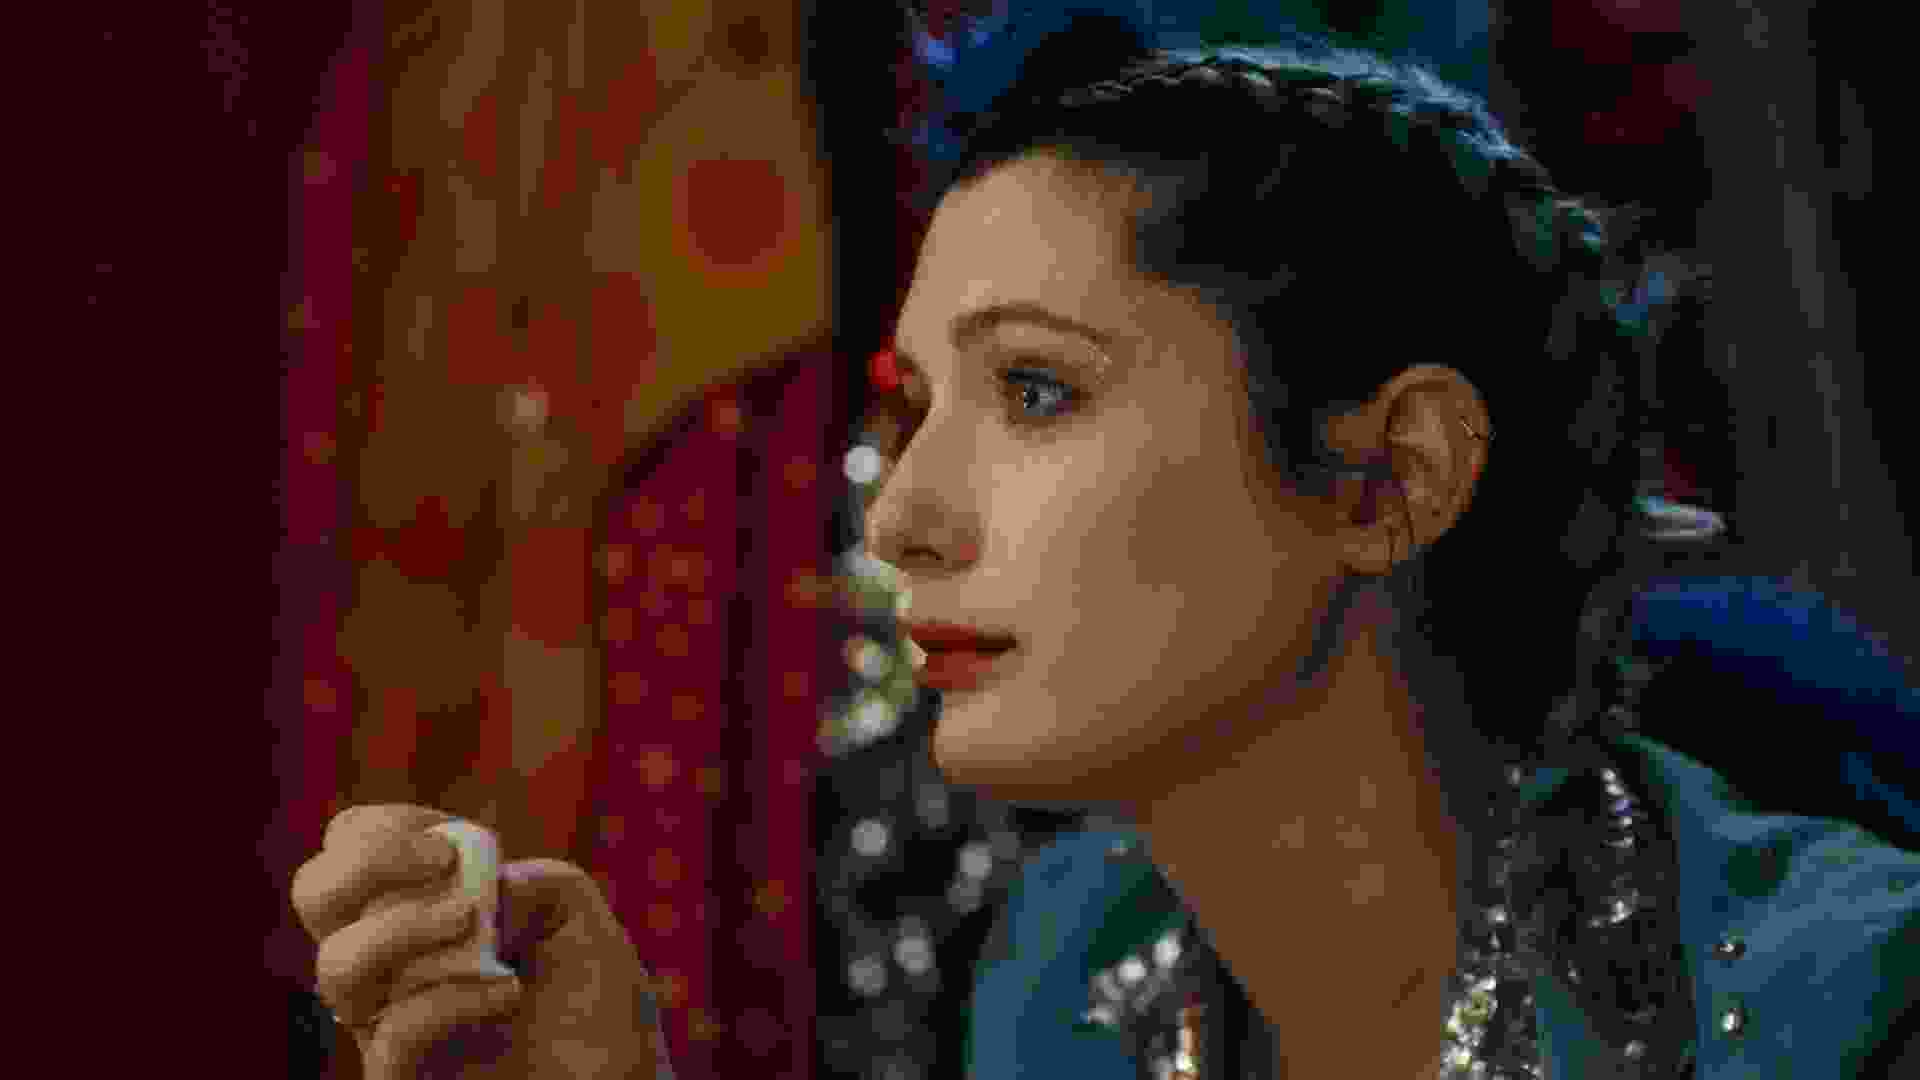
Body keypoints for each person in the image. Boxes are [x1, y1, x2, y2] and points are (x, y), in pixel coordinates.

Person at [290, 20, 1920, 1080]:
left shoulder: (1837, 1011)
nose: (898, 516)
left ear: (1385, 477)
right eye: (911, 407)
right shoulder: (1074, 974)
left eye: (1036, 390)